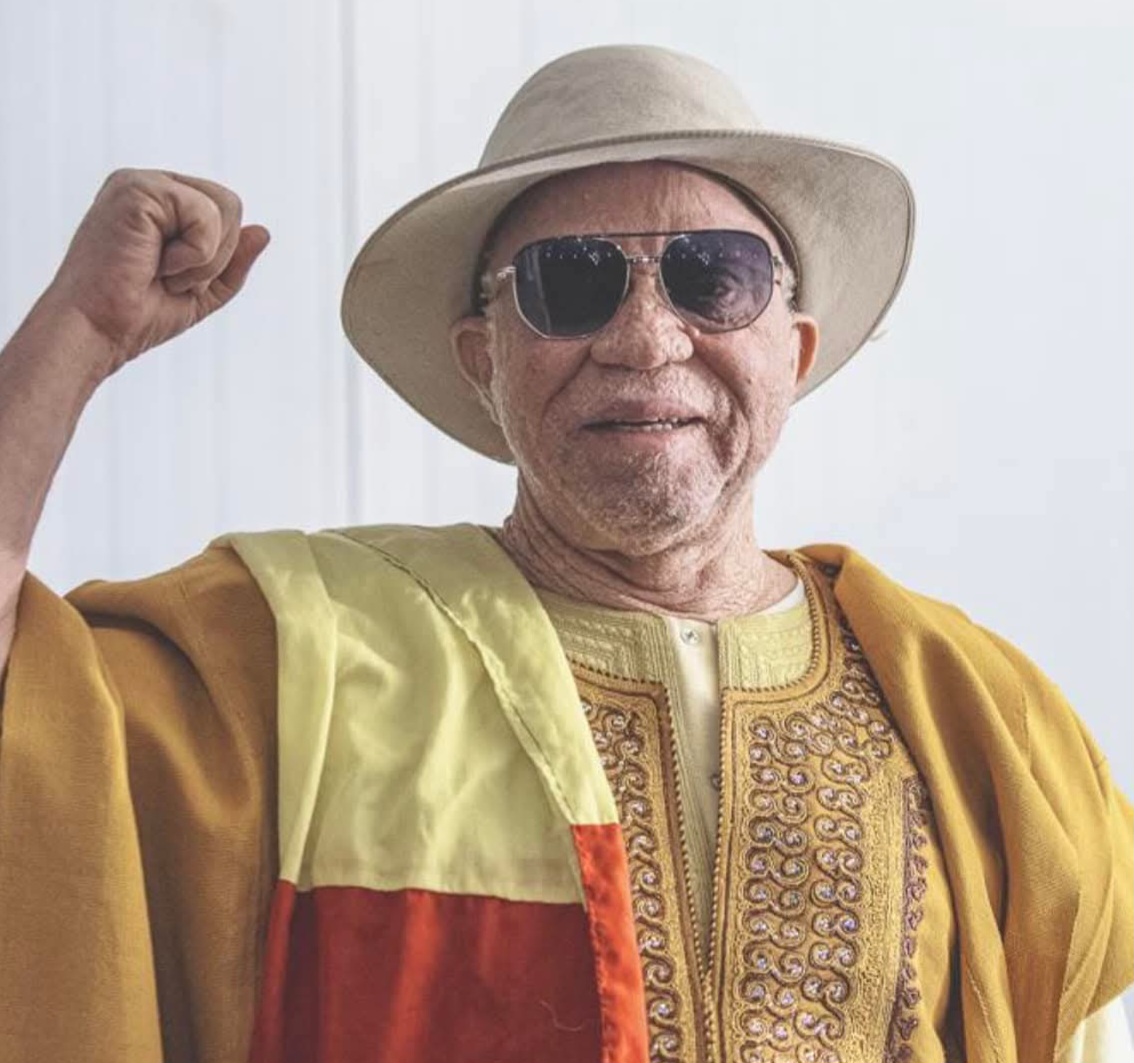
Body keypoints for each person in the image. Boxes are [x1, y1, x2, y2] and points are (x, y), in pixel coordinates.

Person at [0, 44, 1130, 1063]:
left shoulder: (979, 717)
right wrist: (74, 338)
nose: (645, 336)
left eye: (713, 275)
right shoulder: (297, 657)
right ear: (482, 360)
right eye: (571, 283)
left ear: (792, 350)